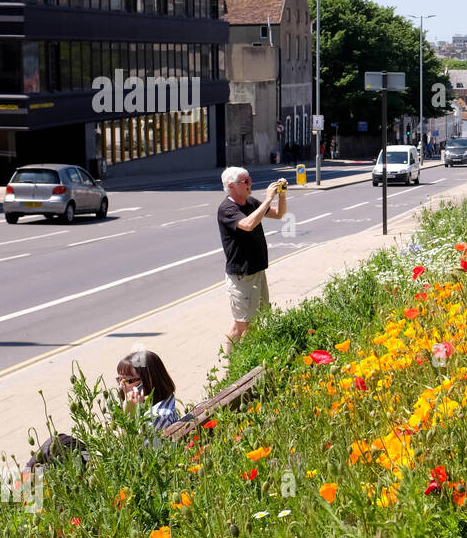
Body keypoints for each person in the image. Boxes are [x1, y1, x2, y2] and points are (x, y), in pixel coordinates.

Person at [22, 350, 181, 473]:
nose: (121, 386)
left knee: (57, 445)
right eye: (119, 379)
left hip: (109, 470)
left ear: (149, 381)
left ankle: (19, 497)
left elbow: (129, 455)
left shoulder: (159, 416)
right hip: (109, 462)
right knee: (55, 447)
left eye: (129, 381)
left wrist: (128, 418)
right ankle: (23, 495)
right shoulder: (162, 403)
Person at [218, 166, 286, 344]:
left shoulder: (250, 202)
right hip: (242, 276)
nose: (250, 183)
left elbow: (278, 214)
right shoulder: (227, 208)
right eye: (245, 181)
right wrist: (268, 199)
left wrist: (282, 196)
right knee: (242, 326)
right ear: (231, 186)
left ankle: (240, 362)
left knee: (253, 321)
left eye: (250, 179)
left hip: (257, 271)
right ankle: (232, 366)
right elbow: (248, 224)